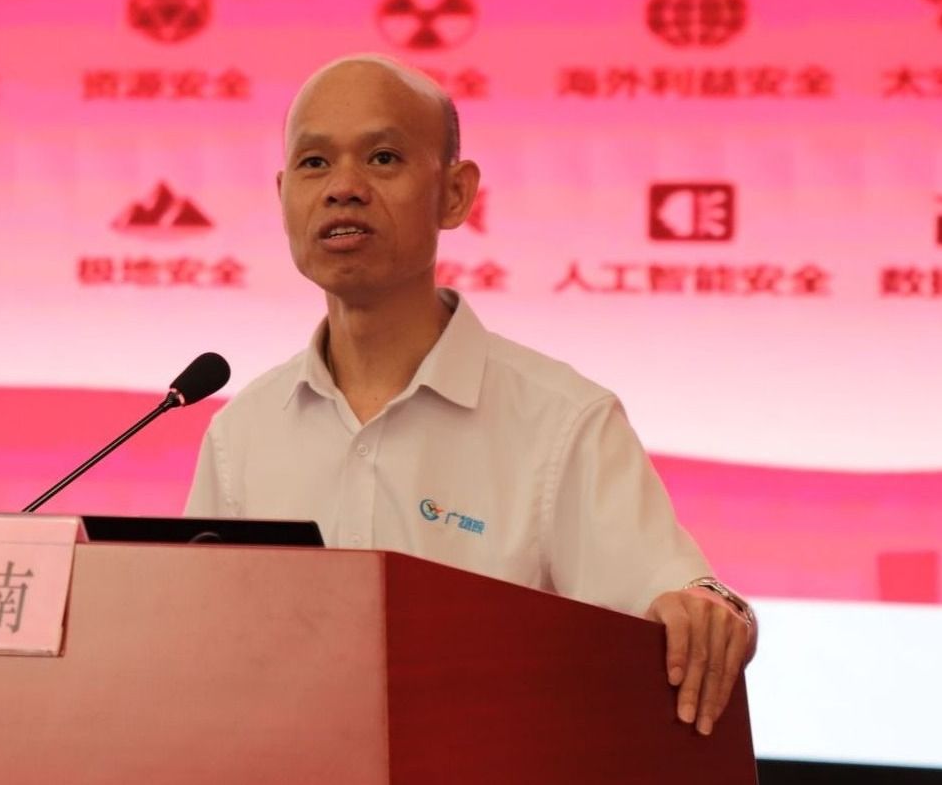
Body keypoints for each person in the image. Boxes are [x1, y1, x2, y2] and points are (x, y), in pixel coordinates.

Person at [185, 54, 756, 736]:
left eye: (383, 157)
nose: (343, 188)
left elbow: (670, 598)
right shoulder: (243, 432)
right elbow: (195, 652)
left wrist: (707, 608)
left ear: (455, 194)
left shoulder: (563, 422)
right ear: (283, 196)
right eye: (314, 163)